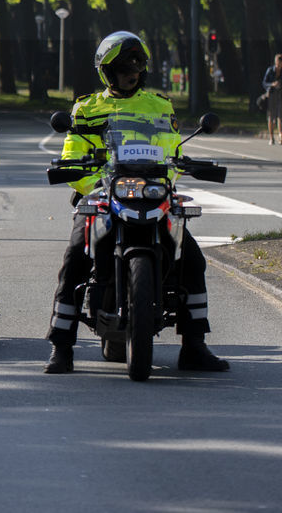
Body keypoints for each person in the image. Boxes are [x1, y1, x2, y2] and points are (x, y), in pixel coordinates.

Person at [44, 30, 229, 373]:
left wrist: (173, 173)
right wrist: (94, 184)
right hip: (103, 196)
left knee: (192, 260)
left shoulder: (159, 105)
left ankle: (194, 346)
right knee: (74, 259)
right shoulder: (87, 108)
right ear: (107, 70)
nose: (131, 71)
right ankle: (62, 347)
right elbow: (72, 156)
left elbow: (174, 151)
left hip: (152, 193)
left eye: (137, 64)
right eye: (123, 65)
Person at [264, 54, 282, 145]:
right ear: (275, 62)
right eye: (278, 64)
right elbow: (264, 83)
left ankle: (280, 135)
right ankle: (271, 137)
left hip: (280, 95)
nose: (279, 66)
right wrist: (272, 84)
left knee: (280, 116)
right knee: (271, 117)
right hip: (271, 95)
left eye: (281, 64)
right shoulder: (270, 70)